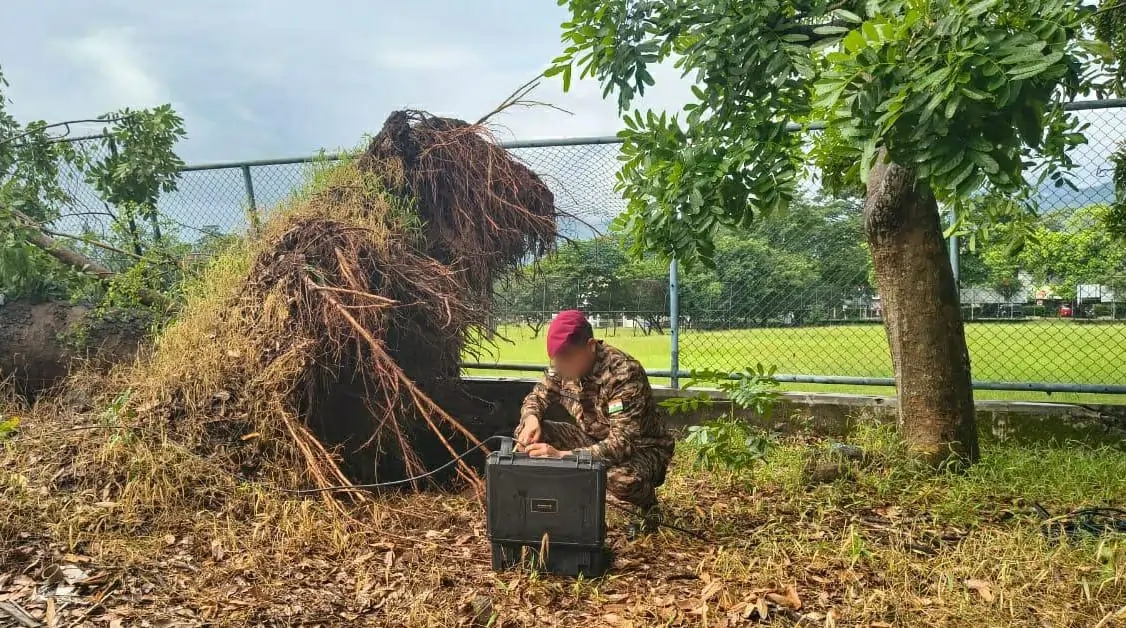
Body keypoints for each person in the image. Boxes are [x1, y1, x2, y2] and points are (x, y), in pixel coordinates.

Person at [516, 310, 674, 534]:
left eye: (567, 356)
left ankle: (649, 506)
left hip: (641, 449)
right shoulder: (562, 366)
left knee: (617, 478)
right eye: (556, 358)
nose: (561, 364)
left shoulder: (623, 373)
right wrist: (531, 419)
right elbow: (536, 398)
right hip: (591, 437)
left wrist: (563, 457)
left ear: (590, 345)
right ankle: (546, 502)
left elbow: (621, 444)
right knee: (530, 436)